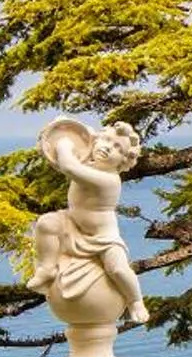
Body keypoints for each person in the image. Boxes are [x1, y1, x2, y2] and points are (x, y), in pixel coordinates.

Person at [31, 118, 150, 323]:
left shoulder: (109, 180)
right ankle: (47, 268)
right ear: (95, 140)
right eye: (106, 140)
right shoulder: (89, 164)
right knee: (46, 224)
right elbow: (76, 144)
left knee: (117, 269)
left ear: (123, 161)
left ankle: (135, 300)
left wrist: (64, 144)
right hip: (73, 224)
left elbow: (69, 166)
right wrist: (61, 128)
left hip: (103, 237)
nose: (108, 148)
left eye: (118, 148)